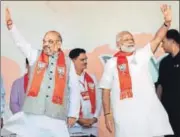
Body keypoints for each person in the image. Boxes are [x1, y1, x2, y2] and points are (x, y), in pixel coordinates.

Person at [3, 7, 80, 137]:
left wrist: (73, 114)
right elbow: (21, 44)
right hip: (33, 116)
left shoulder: (68, 63)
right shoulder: (34, 56)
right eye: (44, 41)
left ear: (59, 44)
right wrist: (11, 27)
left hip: (56, 117)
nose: (46, 44)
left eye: (50, 41)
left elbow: (74, 89)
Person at [99, 4, 174, 137]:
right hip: (124, 115)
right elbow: (105, 90)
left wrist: (166, 23)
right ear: (118, 44)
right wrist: (107, 114)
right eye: (125, 39)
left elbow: (157, 39)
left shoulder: (141, 55)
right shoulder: (111, 63)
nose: (130, 41)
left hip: (147, 113)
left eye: (131, 38)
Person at [68, 48, 102, 137]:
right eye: (82, 60)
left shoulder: (92, 78)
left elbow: (99, 99)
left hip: (92, 126)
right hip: (74, 127)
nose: (85, 62)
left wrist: (94, 118)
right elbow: (66, 102)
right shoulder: (67, 80)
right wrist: (79, 120)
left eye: (86, 59)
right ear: (73, 61)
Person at [156, 29, 180, 137]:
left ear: (172, 41)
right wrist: (157, 107)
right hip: (167, 113)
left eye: (164, 42)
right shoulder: (164, 62)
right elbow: (160, 85)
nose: (162, 45)